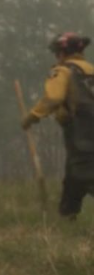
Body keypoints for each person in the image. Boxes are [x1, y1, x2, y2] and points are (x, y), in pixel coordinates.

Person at [22, 32, 94, 219]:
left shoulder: (63, 71)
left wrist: (33, 116)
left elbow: (54, 97)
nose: (56, 57)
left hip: (80, 129)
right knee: (72, 175)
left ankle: (68, 213)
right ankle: (67, 215)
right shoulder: (90, 70)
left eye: (57, 53)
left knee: (83, 172)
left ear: (63, 53)